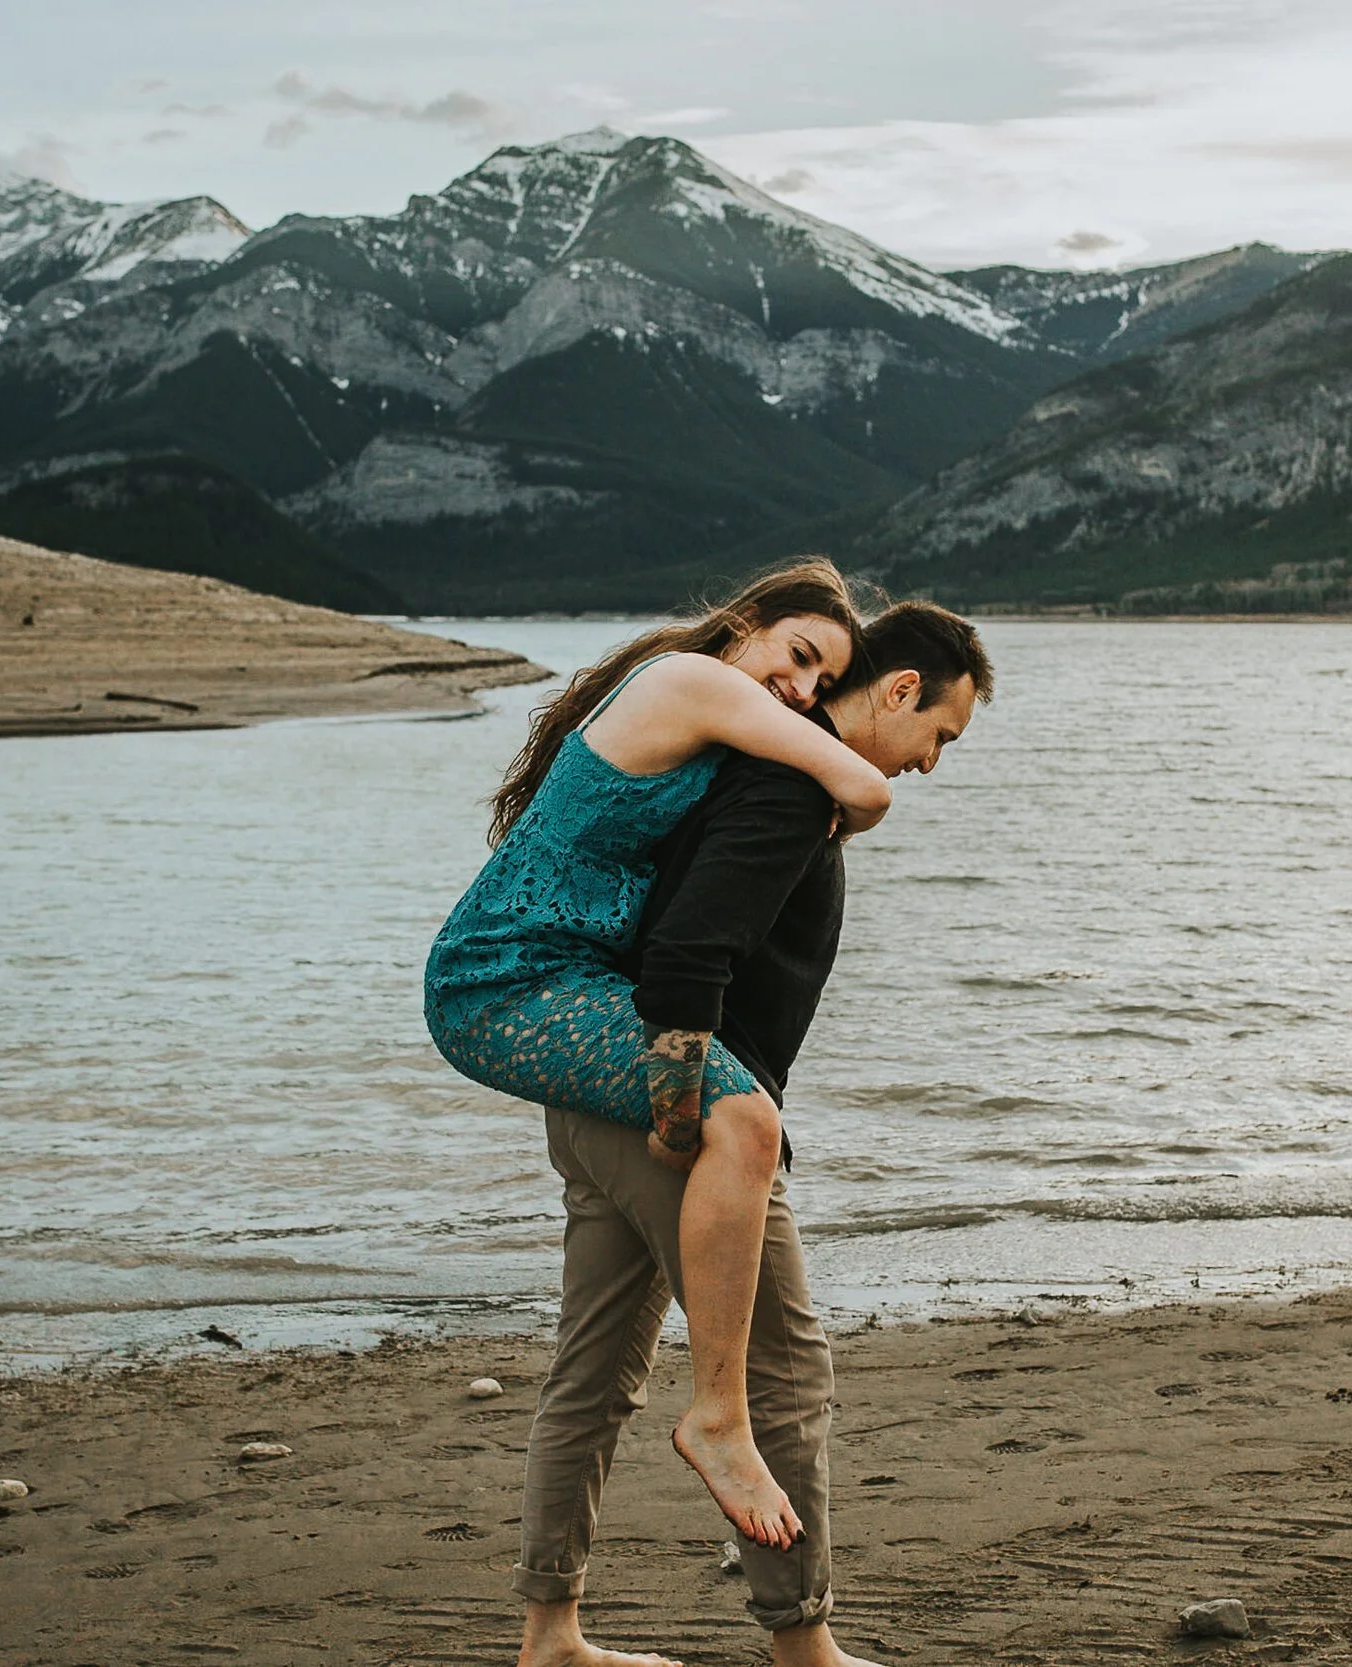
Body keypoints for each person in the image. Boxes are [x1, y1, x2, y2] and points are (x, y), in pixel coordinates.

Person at [513, 602, 994, 1667]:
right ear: (901, 689)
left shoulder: (773, 769)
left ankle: (551, 1634)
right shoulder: (789, 785)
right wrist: (687, 1115)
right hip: (674, 1113)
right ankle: (803, 1644)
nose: (930, 762)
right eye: (940, 735)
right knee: (782, 1371)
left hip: (600, 1096)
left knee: (595, 1370)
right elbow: (688, 954)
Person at [426, 560, 891, 1551]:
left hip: (564, 981)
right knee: (746, 1119)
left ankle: (550, 1619)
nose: (802, 688)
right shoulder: (693, 680)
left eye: (821, 680)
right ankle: (718, 1413)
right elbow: (863, 785)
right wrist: (834, 783)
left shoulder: (706, 705)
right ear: (747, 621)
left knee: (594, 1361)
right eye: (798, 654)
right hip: (504, 978)